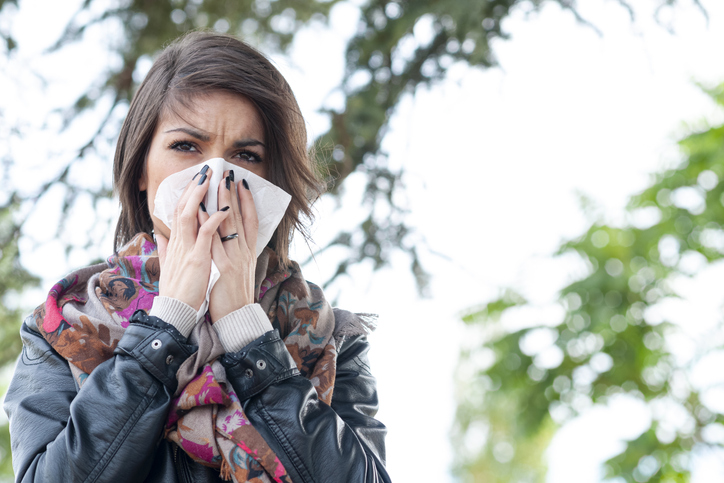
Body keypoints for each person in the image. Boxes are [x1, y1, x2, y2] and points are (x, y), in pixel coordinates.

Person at [4, 31, 390, 483]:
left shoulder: (330, 339)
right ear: (141, 166)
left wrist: (249, 337)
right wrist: (166, 326)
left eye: (246, 155)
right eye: (186, 146)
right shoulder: (64, 326)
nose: (216, 177)